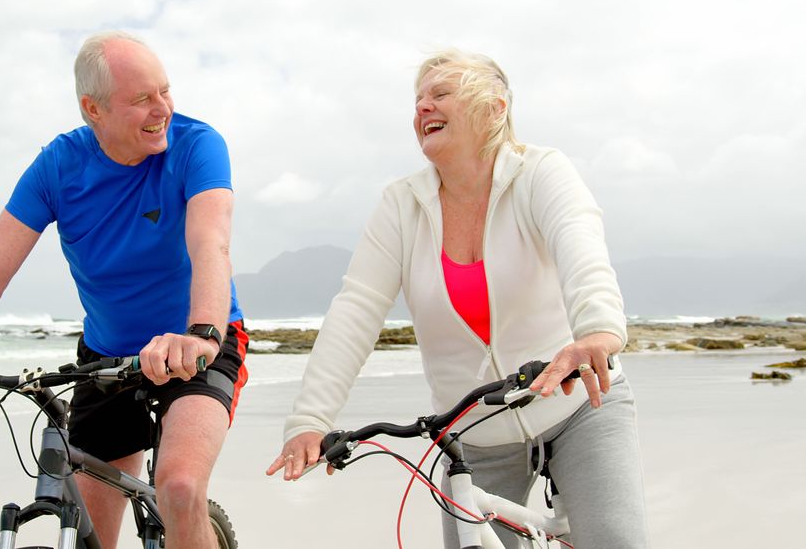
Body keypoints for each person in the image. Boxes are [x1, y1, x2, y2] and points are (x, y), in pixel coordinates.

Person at [266, 49, 649, 548]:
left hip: (579, 403)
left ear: (495, 107)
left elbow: (579, 243)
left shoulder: (541, 173)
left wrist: (597, 330)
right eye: (418, 99)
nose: (422, 107)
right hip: (475, 434)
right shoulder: (401, 206)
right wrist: (310, 421)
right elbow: (355, 311)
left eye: (441, 94)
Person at [0, 31, 248, 549]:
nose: (163, 108)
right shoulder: (58, 166)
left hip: (196, 343)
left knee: (180, 487)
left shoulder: (197, 145)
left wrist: (201, 332)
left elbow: (210, 243)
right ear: (92, 109)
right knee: (91, 534)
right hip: (106, 356)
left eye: (165, 91)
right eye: (142, 98)